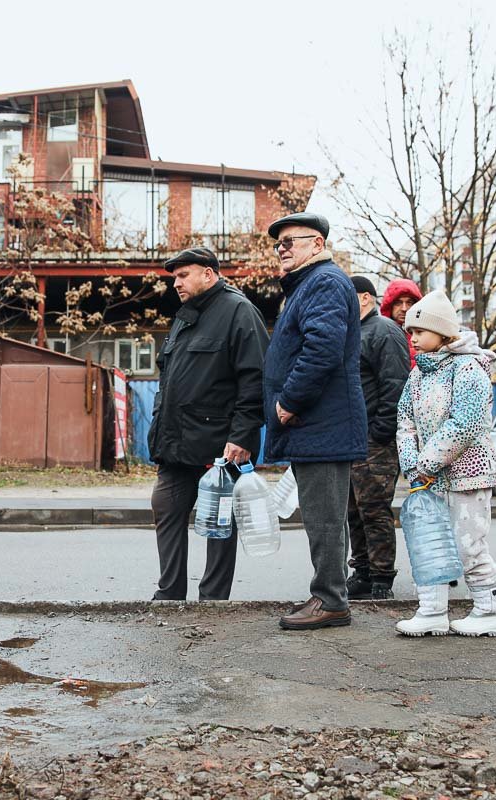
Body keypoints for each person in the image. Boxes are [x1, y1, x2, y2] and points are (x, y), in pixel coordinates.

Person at [261, 213, 367, 630]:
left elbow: (321, 349)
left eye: (291, 240)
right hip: (317, 424)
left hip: (320, 423)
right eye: (279, 243)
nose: (282, 248)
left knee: (324, 518)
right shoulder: (310, 285)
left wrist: (288, 401)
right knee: (323, 516)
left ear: (318, 244)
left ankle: (332, 601)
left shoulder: (323, 282)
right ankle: (327, 592)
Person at [148, 246, 269, 601]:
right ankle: (169, 593)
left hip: (220, 446)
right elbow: (167, 377)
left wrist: (243, 435)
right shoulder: (185, 316)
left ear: (208, 273)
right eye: (174, 278)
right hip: (175, 442)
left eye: (183, 275)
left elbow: (255, 378)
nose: (177, 284)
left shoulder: (239, 311)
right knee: (166, 506)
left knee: (219, 521)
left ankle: (213, 598)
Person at [395, 290, 496, 637]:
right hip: (429, 478)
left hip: (466, 476)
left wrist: (426, 463)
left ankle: (489, 610)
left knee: (466, 543)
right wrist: (413, 463)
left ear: (442, 332)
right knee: (430, 542)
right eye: (410, 332)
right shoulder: (418, 374)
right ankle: (431, 611)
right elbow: (405, 421)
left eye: (419, 331)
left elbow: (465, 423)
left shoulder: (468, 369)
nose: (412, 338)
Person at [346, 275, 410, 600]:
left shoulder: (384, 330)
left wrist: (382, 430)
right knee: (353, 510)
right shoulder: (353, 332)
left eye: (348, 296)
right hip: (351, 439)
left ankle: (382, 576)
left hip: (375, 439)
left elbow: (395, 383)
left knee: (373, 508)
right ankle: (363, 572)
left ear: (366, 298)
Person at [381, 279, 424, 367]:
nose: (404, 308)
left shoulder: (428, 334)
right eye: (398, 303)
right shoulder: (380, 335)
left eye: (409, 303)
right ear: (390, 306)